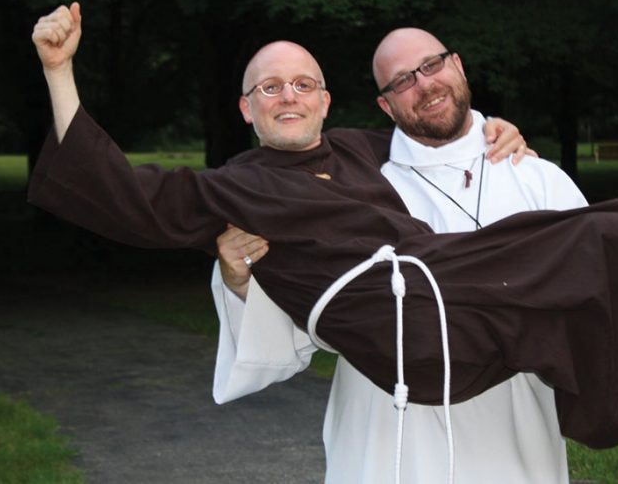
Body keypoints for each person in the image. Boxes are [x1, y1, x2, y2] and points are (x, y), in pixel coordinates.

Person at [28, 2, 618, 454]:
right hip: (409, 349)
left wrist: (499, 127)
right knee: (582, 239)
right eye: (269, 87)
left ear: (331, 102)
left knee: (599, 229)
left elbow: (436, 127)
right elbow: (121, 194)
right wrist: (60, 72)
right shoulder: (237, 189)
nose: (289, 95)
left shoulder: (365, 151)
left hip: (482, 355)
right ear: (246, 108)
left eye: (304, 82)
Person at [211, 27, 588, 483]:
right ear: (386, 106)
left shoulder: (538, 179)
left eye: (432, 65)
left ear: (458, 66)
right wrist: (239, 281)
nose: (424, 84)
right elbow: (311, 313)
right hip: (388, 425)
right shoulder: (359, 186)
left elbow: (595, 295)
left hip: (513, 426)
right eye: (402, 80)